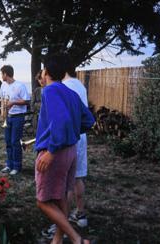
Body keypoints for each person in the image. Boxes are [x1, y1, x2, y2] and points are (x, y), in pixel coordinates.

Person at [34, 55, 95, 244]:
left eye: (43, 70)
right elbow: (88, 121)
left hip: (55, 152)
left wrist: (51, 152)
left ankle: (76, 239)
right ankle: (58, 239)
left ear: (47, 72)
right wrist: (70, 134)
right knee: (60, 196)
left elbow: (62, 121)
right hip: (71, 150)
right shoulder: (70, 92)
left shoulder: (50, 90)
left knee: (43, 201)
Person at [63, 57, 89, 228]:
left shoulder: (65, 86)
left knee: (65, 181)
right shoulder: (79, 84)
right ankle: (80, 214)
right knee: (78, 176)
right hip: (81, 135)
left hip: (70, 136)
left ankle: (61, 222)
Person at [0, 65, 30, 176]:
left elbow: (27, 101)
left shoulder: (20, 85)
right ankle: (9, 165)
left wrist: (13, 102)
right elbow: (2, 99)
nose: (1, 76)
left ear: (5, 74)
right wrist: (3, 106)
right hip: (8, 117)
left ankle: (17, 166)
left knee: (15, 142)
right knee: (8, 142)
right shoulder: (3, 86)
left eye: (1, 73)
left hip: (18, 116)